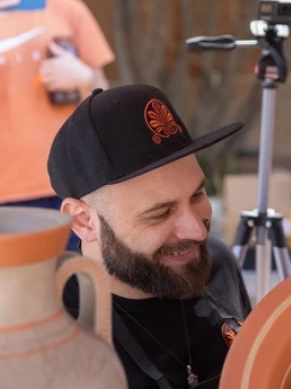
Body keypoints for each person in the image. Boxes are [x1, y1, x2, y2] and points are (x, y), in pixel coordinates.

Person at [49, 84, 252, 389]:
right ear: (83, 221)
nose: (197, 231)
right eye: (160, 214)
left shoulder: (217, 262)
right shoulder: (50, 330)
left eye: (197, 194)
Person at [0, 0, 113, 249]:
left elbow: (105, 96)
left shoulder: (68, 10)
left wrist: (82, 76)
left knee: (73, 292)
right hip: (5, 190)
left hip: (68, 186)